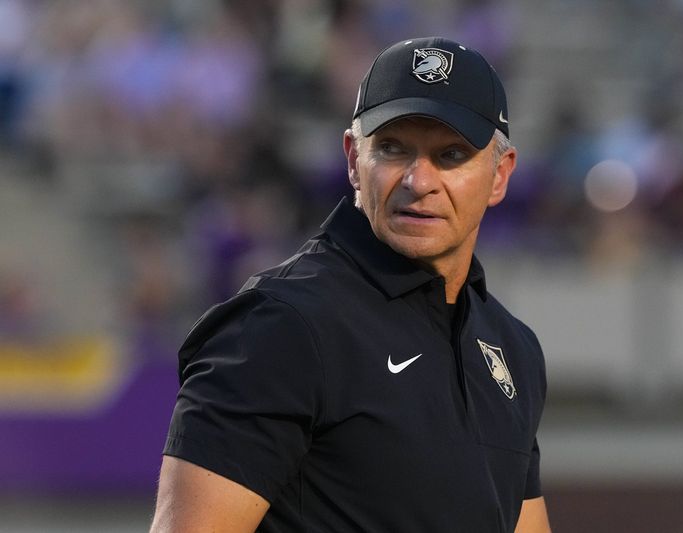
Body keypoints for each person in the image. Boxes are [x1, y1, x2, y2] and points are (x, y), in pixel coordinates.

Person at [150, 36, 551, 533]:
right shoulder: (278, 325)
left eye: (450, 155)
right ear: (352, 159)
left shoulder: (513, 347)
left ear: (500, 175)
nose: (418, 180)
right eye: (392, 148)